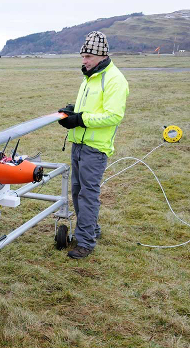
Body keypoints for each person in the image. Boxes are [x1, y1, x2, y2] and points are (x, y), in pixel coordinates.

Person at [58, 31, 129, 259]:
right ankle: (92, 230)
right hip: (78, 144)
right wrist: (72, 113)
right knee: (78, 193)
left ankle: (85, 242)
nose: (84, 61)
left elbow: (113, 116)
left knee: (88, 195)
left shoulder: (114, 80)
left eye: (88, 56)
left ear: (101, 56)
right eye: (82, 56)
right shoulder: (89, 77)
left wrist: (80, 119)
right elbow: (90, 108)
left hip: (95, 149)